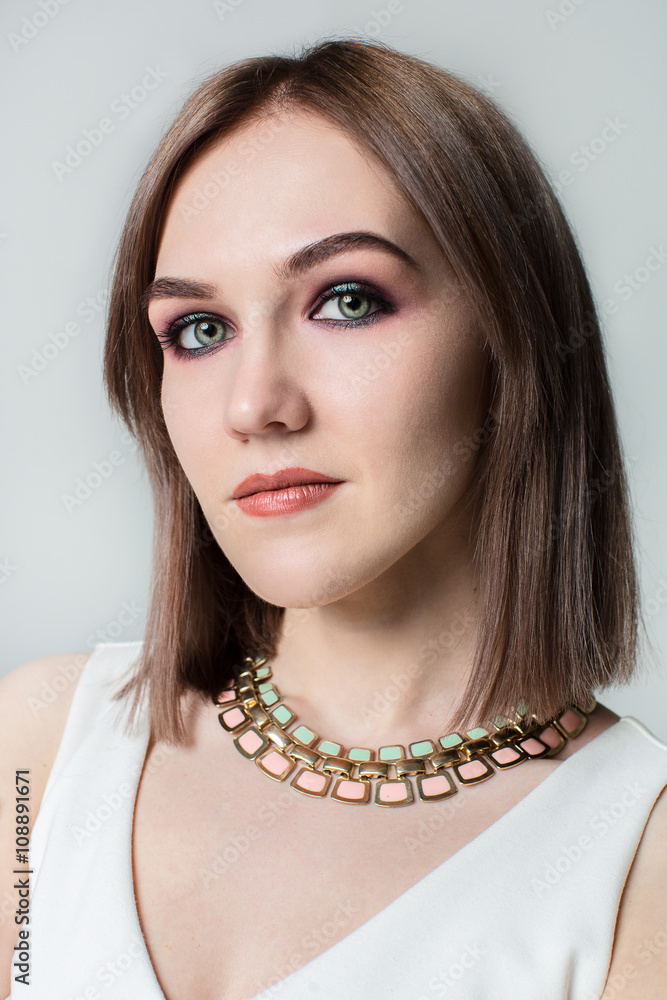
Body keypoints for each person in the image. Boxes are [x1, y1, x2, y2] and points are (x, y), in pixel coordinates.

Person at [1, 35, 666, 1000]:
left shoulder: (638, 866)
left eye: (345, 300)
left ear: (509, 336)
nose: (253, 404)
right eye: (199, 330)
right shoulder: (39, 750)